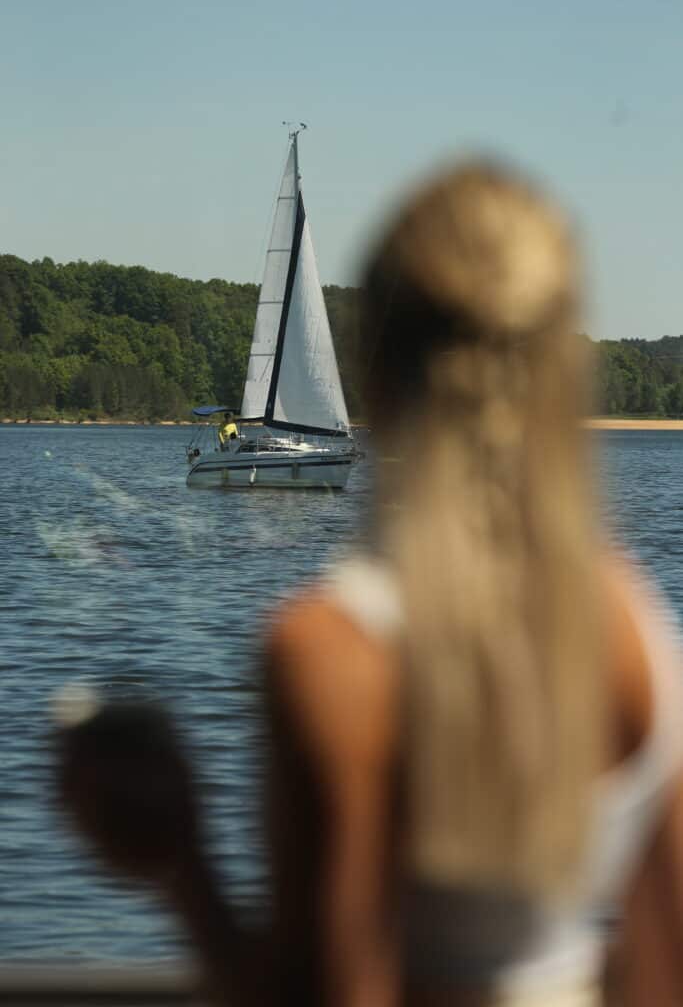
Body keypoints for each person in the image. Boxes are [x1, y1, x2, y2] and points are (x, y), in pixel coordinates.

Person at [57, 160, 683, 1007]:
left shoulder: (329, 651)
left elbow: (330, 989)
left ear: (375, 362)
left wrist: (179, 864)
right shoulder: (637, 626)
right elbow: (661, 976)